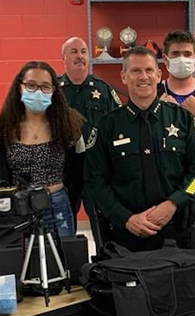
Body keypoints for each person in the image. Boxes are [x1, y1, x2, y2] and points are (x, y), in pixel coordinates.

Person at [84, 46, 195, 316]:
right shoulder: (107, 126)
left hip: (176, 239)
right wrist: (126, 219)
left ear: (160, 74)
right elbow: (95, 184)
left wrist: (175, 203)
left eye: (149, 71)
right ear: (123, 77)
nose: (142, 77)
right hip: (127, 243)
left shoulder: (182, 121)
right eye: (134, 71)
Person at [0, 61, 85, 238]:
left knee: (62, 262)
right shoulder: (4, 129)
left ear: (54, 90)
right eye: (31, 86)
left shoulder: (68, 127)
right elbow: (0, 173)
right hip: (19, 208)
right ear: (20, 88)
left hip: (57, 206)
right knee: (22, 262)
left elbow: (78, 176)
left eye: (45, 87)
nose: (38, 91)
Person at [58, 36, 122, 217]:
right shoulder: (53, 90)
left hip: (96, 166)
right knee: (64, 221)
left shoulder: (103, 90)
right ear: (63, 58)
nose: (80, 56)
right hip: (64, 166)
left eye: (83, 52)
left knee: (100, 219)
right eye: (74, 51)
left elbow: (117, 128)